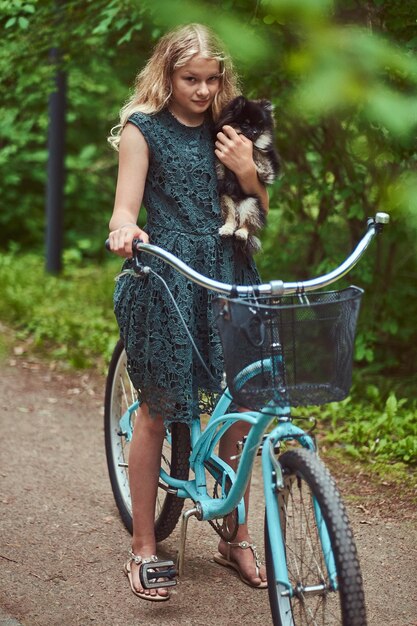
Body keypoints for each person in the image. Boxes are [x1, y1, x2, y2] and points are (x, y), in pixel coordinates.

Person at [107, 23, 269, 601]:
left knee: (243, 404)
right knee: (159, 406)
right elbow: (125, 207)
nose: (202, 91)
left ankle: (237, 536)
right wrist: (125, 229)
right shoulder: (142, 130)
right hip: (169, 277)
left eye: (211, 79)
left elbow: (259, 206)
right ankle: (145, 546)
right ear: (167, 74)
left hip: (229, 272)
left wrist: (248, 168)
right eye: (189, 79)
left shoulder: (233, 130)